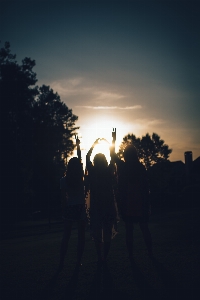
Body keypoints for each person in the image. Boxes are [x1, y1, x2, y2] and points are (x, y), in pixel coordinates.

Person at [111, 144, 153, 259]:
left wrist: (113, 141)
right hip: (141, 202)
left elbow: (113, 156)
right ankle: (150, 252)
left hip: (128, 203)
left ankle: (131, 255)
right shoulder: (140, 167)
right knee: (144, 228)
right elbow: (146, 187)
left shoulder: (123, 167)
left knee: (129, 230)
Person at [86, 139, 117, 264]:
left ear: (95, 161)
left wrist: (94, 144)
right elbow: (113, 157)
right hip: (108, 206)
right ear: (105, 161)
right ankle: (105, 256)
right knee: (107, 233)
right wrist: (113, 141)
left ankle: (100, 257)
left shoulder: (92, 172)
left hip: (96, 207)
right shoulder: (108, 171)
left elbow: (87, 156)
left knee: (98, 234)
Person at [59, 157, 86, 270]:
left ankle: (61, 262)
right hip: (80, 208)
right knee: (81, 237)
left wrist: (63, 210)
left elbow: (62, 199)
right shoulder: (81, 179)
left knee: (66, 237)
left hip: (69, 208)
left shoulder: (64, 180)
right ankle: (78, 261)